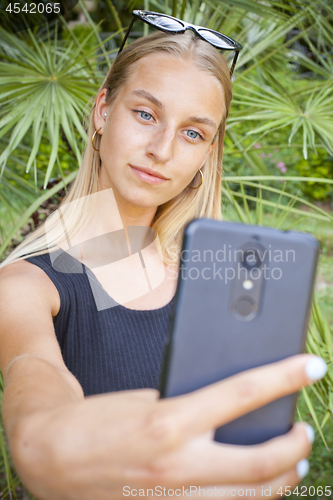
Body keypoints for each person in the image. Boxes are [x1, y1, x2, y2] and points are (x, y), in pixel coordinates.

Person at [0, 11, 327, 499]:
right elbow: (37, 391)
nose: (162, 148)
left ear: (207, 155)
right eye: (146, 114)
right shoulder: (26, 286)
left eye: (193, 133)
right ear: (102, 111)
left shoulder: (215, 282)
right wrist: (48, 444)